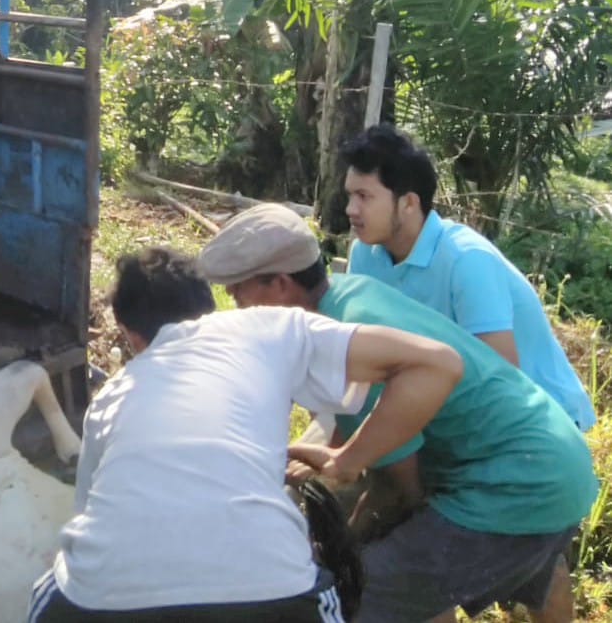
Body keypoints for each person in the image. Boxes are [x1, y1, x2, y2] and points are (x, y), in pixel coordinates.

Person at [198, 203, 599, 623]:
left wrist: (343, 549)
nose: (234, 302)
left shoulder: (341, 356)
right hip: (554, 457)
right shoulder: (346, 294)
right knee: (511, 566)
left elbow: (398, 493)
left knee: (357, 596)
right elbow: (357, 446)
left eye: (237, 289)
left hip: (515, 484)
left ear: (280, 285)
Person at [28, 246, 463, 622]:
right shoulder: (268, 326)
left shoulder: (110, 399)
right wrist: (347, 460)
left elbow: (84, 517)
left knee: (49, 587)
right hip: (270, 593)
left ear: (131, 335)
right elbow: (438, 363)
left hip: (98, 601)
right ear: (210, 308)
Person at [340, 123, 595, 430]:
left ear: (408, 203)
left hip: (540, 424)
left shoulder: (467, 260)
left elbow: (500, 381)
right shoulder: (365, 255)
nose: (351, 209)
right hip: (451, 410)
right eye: (350, 196)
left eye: (364, 196)